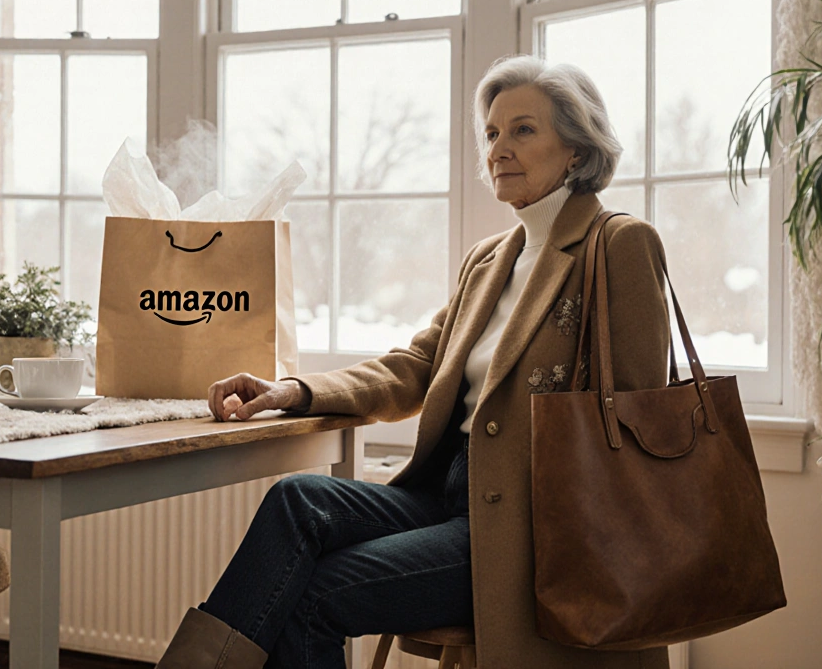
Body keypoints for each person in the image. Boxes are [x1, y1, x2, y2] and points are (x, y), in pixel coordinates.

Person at [156, 55, 672, 669]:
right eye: (492, 133)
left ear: (577, 151)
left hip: (532, 533)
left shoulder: (618, 244)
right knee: (296, 499)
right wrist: (292, 391)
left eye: (523, 130)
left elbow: (640, 419)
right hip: (448, 494)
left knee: (312, 595)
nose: (498, 149)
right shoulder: (489, 259)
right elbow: (417, 365)